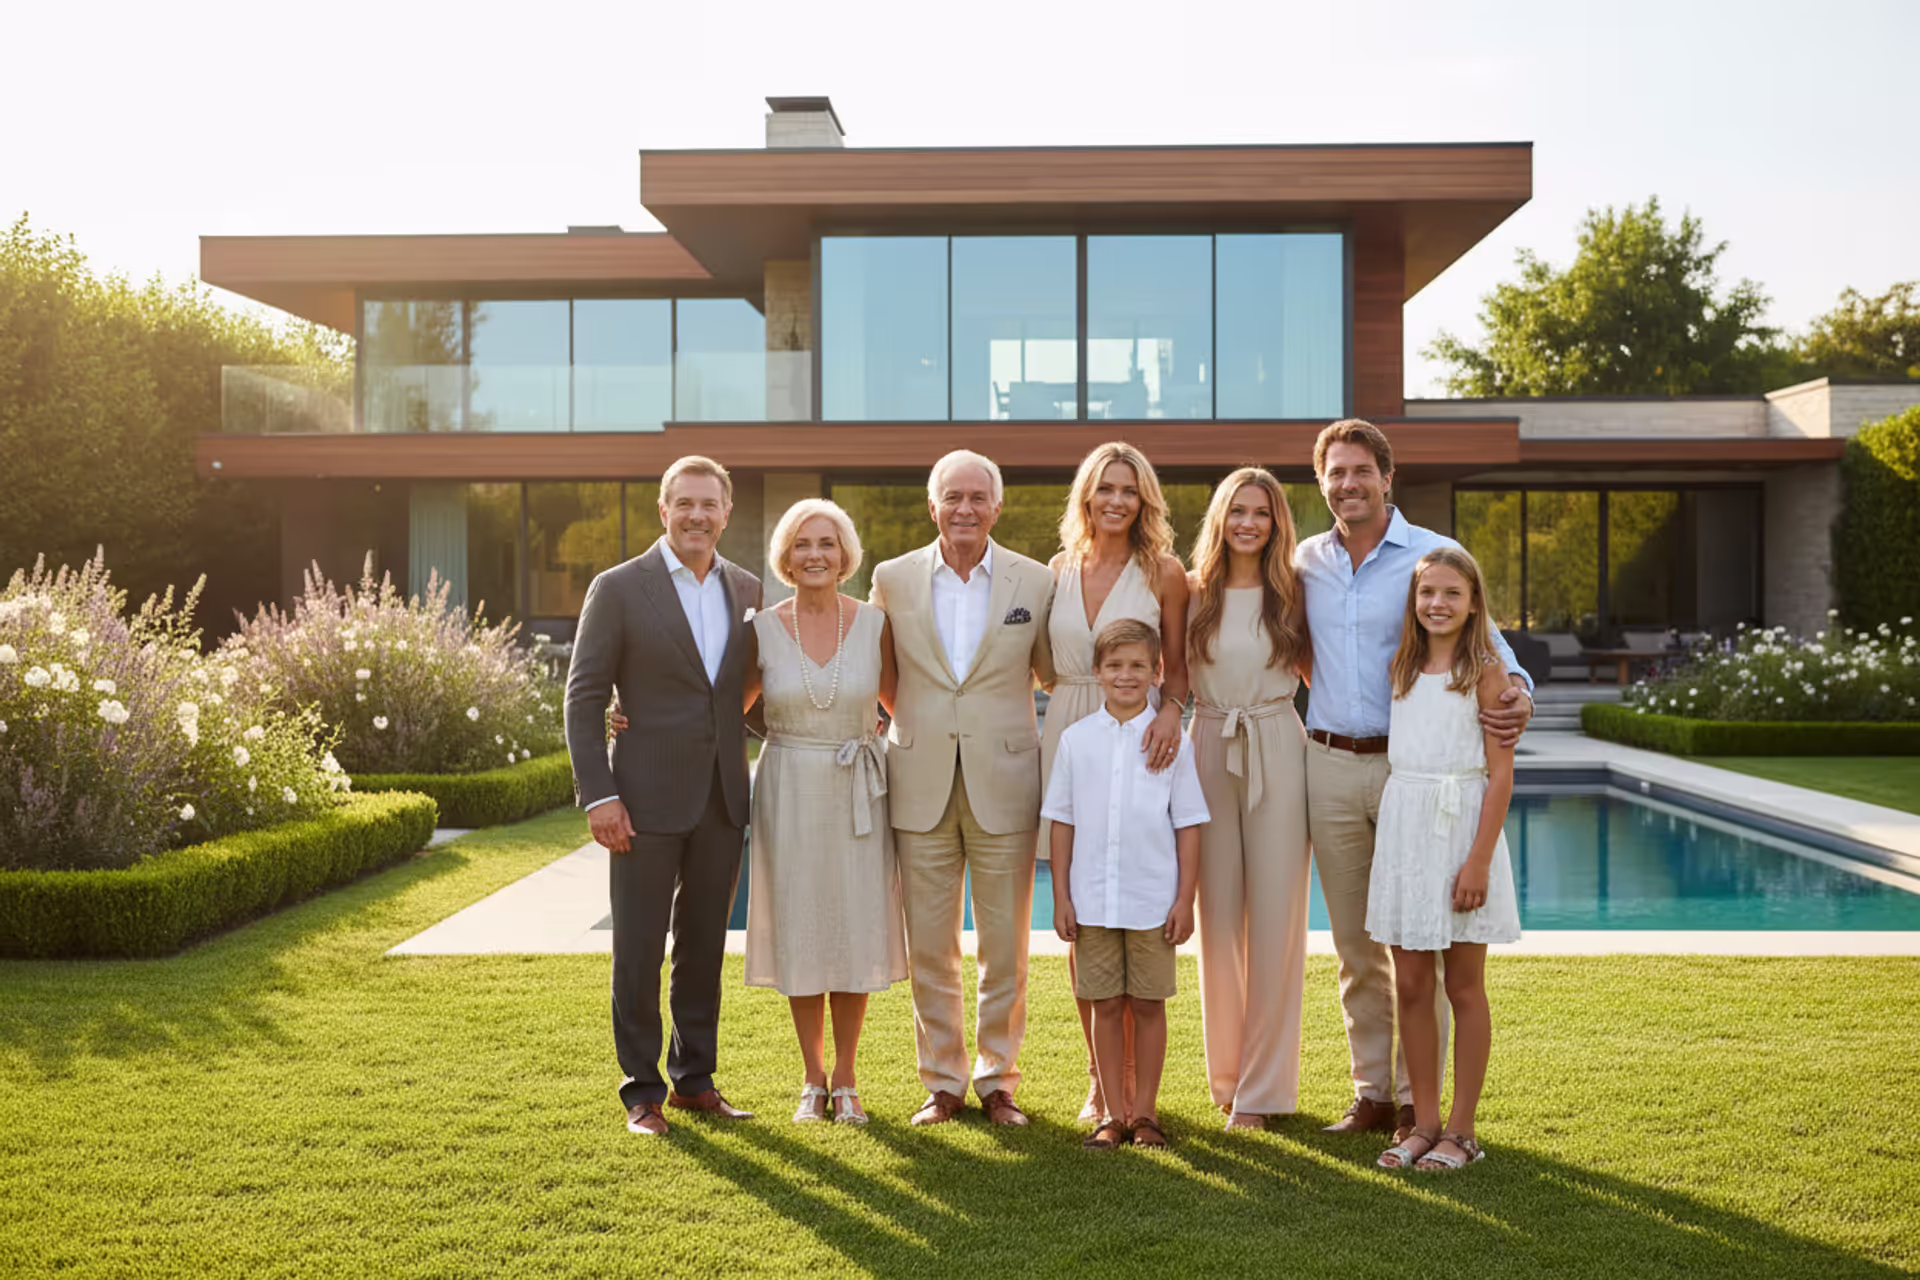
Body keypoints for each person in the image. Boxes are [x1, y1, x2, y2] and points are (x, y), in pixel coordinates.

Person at [1298, 419, 1533, 1142]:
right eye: (1335, 473)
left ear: (1386, 476)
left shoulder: (1433, 556)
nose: (1347, 484)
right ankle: (1371, 1090)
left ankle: (1417, 1105)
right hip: (1334, 765)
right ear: (1322, 482)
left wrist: (1519, 690)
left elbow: (1490, 643)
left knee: (1428, 945)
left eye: (1360, 470)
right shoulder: (1305, 562)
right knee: (1358, 945)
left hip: (1418, 777)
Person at [565, 455, 763, 1137]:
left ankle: (694, 1080)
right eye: (685, 504)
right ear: (663, 510)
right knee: (641, 947)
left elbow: (753, 697)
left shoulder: (748, 589)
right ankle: (641, 1092)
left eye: (709, 505)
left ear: (727, 512)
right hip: (642, 801)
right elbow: (585, 695)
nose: (697, 516)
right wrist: (599, 795)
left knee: (704, 945)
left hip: (722, 800)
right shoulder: (619, 588)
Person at [870, 449, 1056, 1127]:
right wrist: (923, 724)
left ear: (997, 507)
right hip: (918, 778)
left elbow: (1048, 674)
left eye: (978, 497)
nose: (966, 509)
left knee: (1004, 945)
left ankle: (998, 1079)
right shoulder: (891, 579)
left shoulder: (1033, 583)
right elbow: (885, 678)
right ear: (932, 506)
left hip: (1005, 780)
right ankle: (943, 1083)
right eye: (953, 497)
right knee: (930, 946)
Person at [743, 499, 908, 1125]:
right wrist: (631, 719)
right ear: (785, 556)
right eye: (803, 544)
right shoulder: (760, 628)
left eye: (828, 543)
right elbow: (720, 710)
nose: (815, 554)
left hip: (860, 788)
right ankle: (811, 1081)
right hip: (788, 788)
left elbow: (902, 705)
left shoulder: (873, 624)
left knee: (853, 925)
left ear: (846, 556)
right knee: (802, 929)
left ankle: (846, 1078)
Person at [1040, 442, 1190, 1125]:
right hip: (1074, 726)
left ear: (1144, 500)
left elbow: (1179, 665)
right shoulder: (1057, 570)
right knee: (1086, 915)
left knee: (1133, 898)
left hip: (1148, 728)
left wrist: (1170, 715)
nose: (1116, 501)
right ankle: (1104, 1088)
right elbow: (1041, 662)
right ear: (1086, 497)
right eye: (1105, 488)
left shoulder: (1163, 571)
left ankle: (1139, 1095)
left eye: (1129, 490)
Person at [1369, 548, 1521, 1172]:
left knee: (1462, 985)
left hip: (1461, 832)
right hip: (1406, 828)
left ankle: (1462, 1130)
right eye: (1427, 592)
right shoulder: (1401, 667)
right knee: (1409, 983)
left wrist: (1478, 861)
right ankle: (1423, 1123)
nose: (1437, 604)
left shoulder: (1486, 671)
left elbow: (1502, 774)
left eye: (1451, 593)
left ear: (1474, 602)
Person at [1045, 619, 1208, 1150]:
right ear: (1096, 672)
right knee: (1105, 1005)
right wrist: (1062, 896)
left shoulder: (1171, 741)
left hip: (1151, 901)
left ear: (1157, 671)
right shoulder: (1076, 741)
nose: (1126, 675)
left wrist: (1185, 899)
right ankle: (1112, 1115)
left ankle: (1145, 1114)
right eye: (1115, 665)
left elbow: (1187, 824)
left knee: (1149, 1005)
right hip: (1091, 900)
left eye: (1139, 665)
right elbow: (1063, 821)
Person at [1184, 467, 1313, 1132]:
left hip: (1276, 748)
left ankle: (1262, 1092)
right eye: (1237, 510)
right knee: (1219, 923)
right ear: (1221, 517)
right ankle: (1227, 1077)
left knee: (1275, 926)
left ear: (1276, 521)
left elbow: (1330, 673)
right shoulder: (1192, 590)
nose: (1248, 523)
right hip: (1207, 746)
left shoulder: (1294, 591)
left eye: (1261, 512)